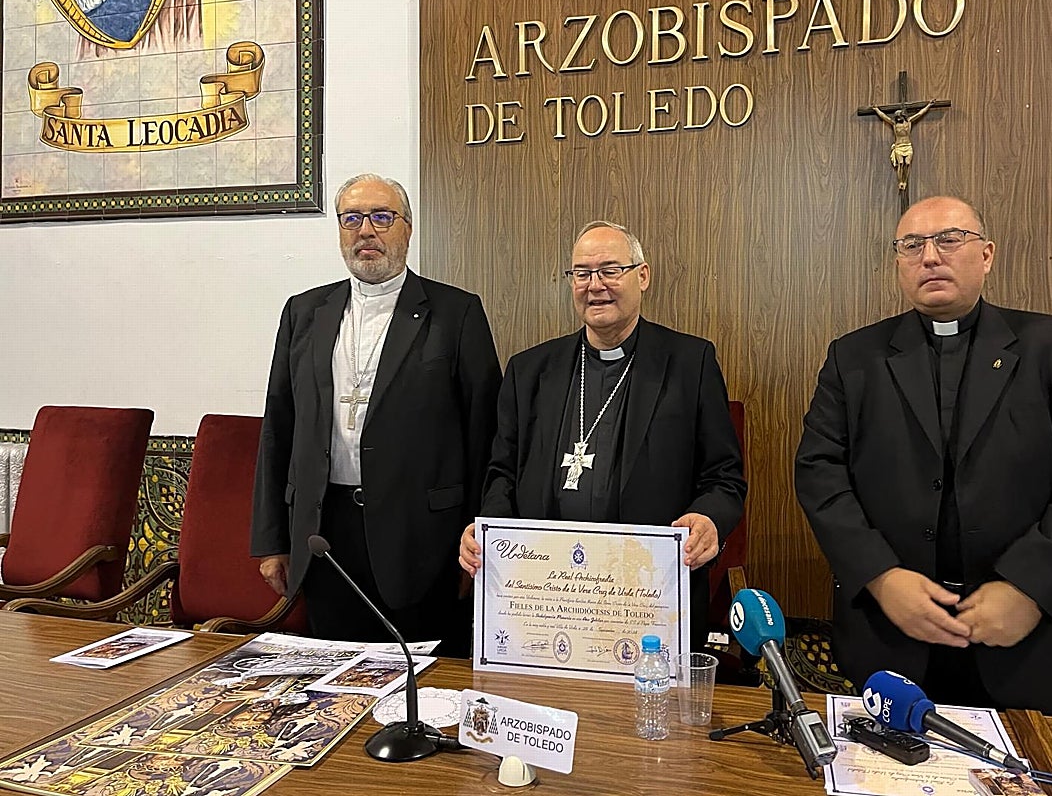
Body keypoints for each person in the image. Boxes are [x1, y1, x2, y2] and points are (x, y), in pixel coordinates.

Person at [794, 196, 1052, 714]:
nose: (930, 256)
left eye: (949, 239)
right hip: (897, 635)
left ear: (987, 254)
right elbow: (820, 474)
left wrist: (1028, 587)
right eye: (912, 245)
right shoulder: (853, 357)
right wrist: (881, 575)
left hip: (1033, 639)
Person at [457, 221, 746, 645]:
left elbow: (724, 477)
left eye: (610, 270)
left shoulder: (690, 363)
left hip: (644, 598)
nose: (595, 285)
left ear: (642, 275)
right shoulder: (529, 371)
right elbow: (501, 474)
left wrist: (708, 520)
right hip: (545, 599)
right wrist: (489, 535)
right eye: (582, 273)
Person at [251, 173, 501, 654]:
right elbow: (278, 426)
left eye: (382, 217)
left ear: (407, 229)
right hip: (325, 535)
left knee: (425, 685)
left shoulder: (456, 313)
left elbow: (484, 437)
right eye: (352, 219)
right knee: (335, 683)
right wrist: (270, 539)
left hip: (423, 540)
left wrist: (481, 540)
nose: (366, 230)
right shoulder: (304, 312)